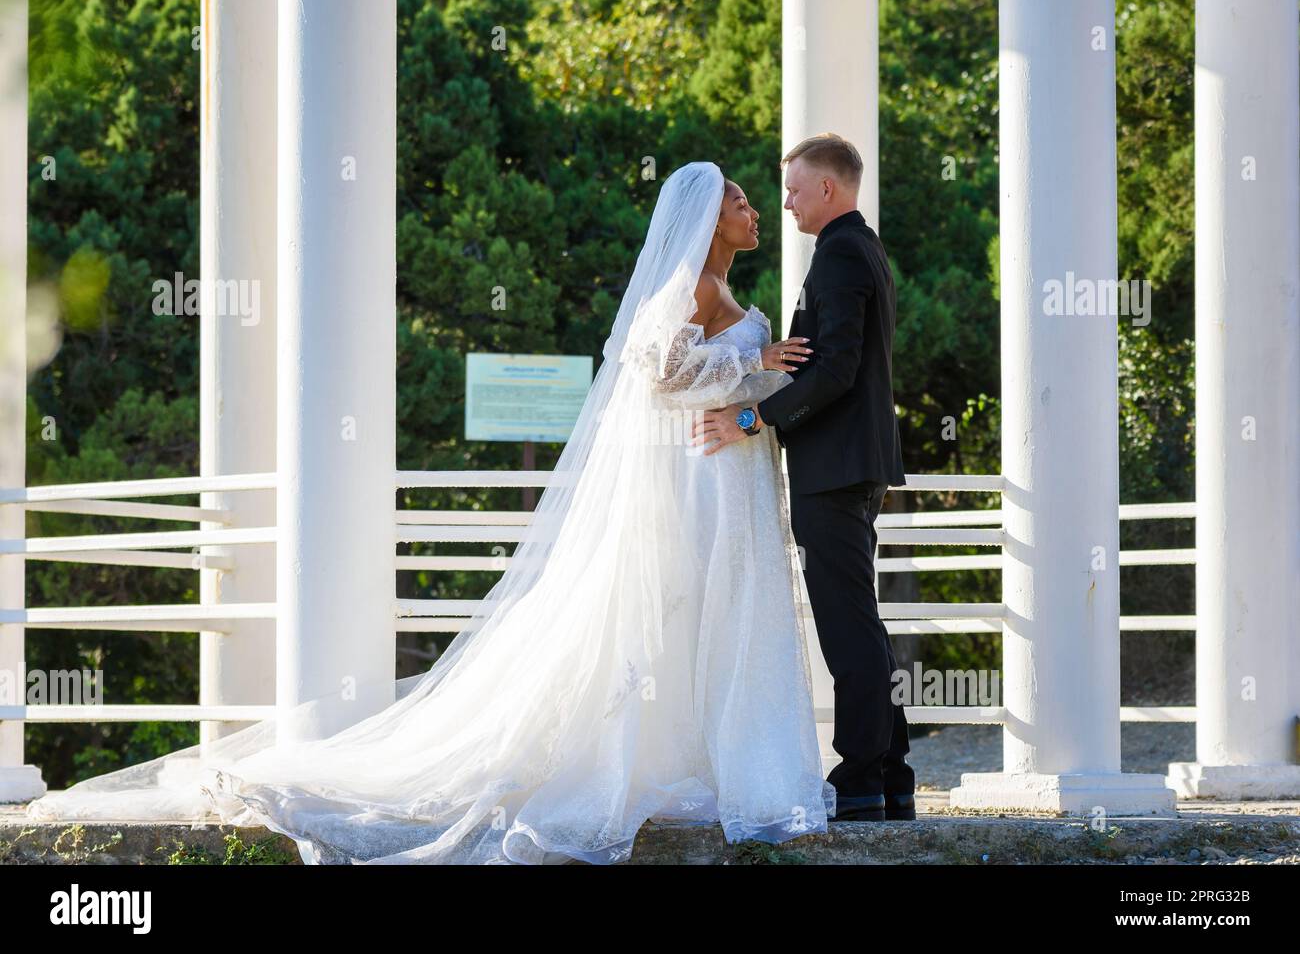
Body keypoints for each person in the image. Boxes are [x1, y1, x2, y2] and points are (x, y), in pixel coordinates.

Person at [25, 162, 837, 864]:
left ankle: (714, 758)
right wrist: (753, 358)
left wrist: (755, 380)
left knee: (710, 622)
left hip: (726, 477)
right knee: (675, 618)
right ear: (704, 216)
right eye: (739, 201)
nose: (754, 210)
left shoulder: (726, 286)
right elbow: (656, 370)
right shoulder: (688, 286)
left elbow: (709, 377)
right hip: (695, 483)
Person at [691, 133, 915, 822]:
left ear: (828, 189)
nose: (784, 201)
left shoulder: (843, 252)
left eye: (793, 188)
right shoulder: (855, 248)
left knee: (846, 627)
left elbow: (837, 369)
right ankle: (889, 774)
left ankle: (858, 777)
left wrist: (754, 421)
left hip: (836, 469)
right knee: (861, 624)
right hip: (849, 465)